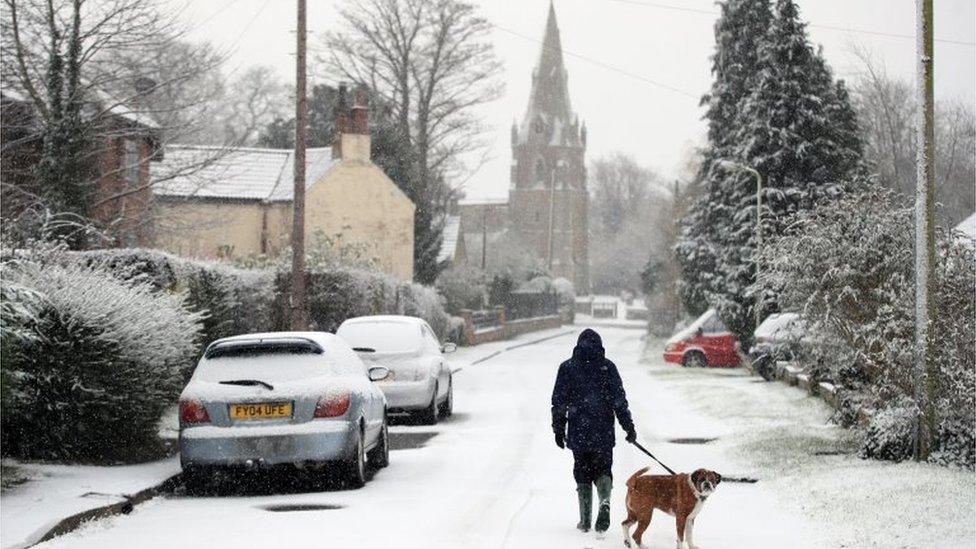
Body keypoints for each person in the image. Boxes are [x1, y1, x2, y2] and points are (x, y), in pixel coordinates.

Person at [551, 328, 637, 536]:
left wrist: (558, 428)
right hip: (603, 431)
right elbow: (619, 401)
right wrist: (628, 427)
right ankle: (605, 501)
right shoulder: (608, 367)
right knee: (603, 470)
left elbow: (559, 402)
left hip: (579, 430)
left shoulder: (567, 367)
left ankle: (585, 519)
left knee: (582, 471)